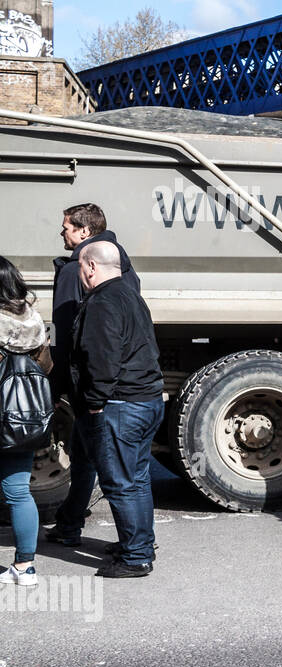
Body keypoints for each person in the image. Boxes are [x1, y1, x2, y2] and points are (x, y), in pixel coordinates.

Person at [47, 203, 142, 549]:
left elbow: (68, 333)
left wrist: (59, 385)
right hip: (118, 379)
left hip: (88, 383)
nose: (62, 232)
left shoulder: (77, 270)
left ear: (85, 232)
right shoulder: (122, 266)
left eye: (67, 227)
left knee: (108, 467)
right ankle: (71, 523)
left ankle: (135, 542)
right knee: (92, 456)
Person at [69, 241, 165, 578]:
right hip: (147, 400)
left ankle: (136, 557)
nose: (79, 275)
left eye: (80, 268)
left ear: (91, 268)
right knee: (137, 479)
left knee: (121, 483)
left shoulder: (102, 302)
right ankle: (140, 543)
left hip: (121, 406)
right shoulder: (130, 295)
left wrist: (94, 403)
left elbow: (102, 358)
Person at [0, 258, 51, 588]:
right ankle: (25, 566)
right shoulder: (33, 321)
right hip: (21, 420)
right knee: (19, 492)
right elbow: (46, 367)